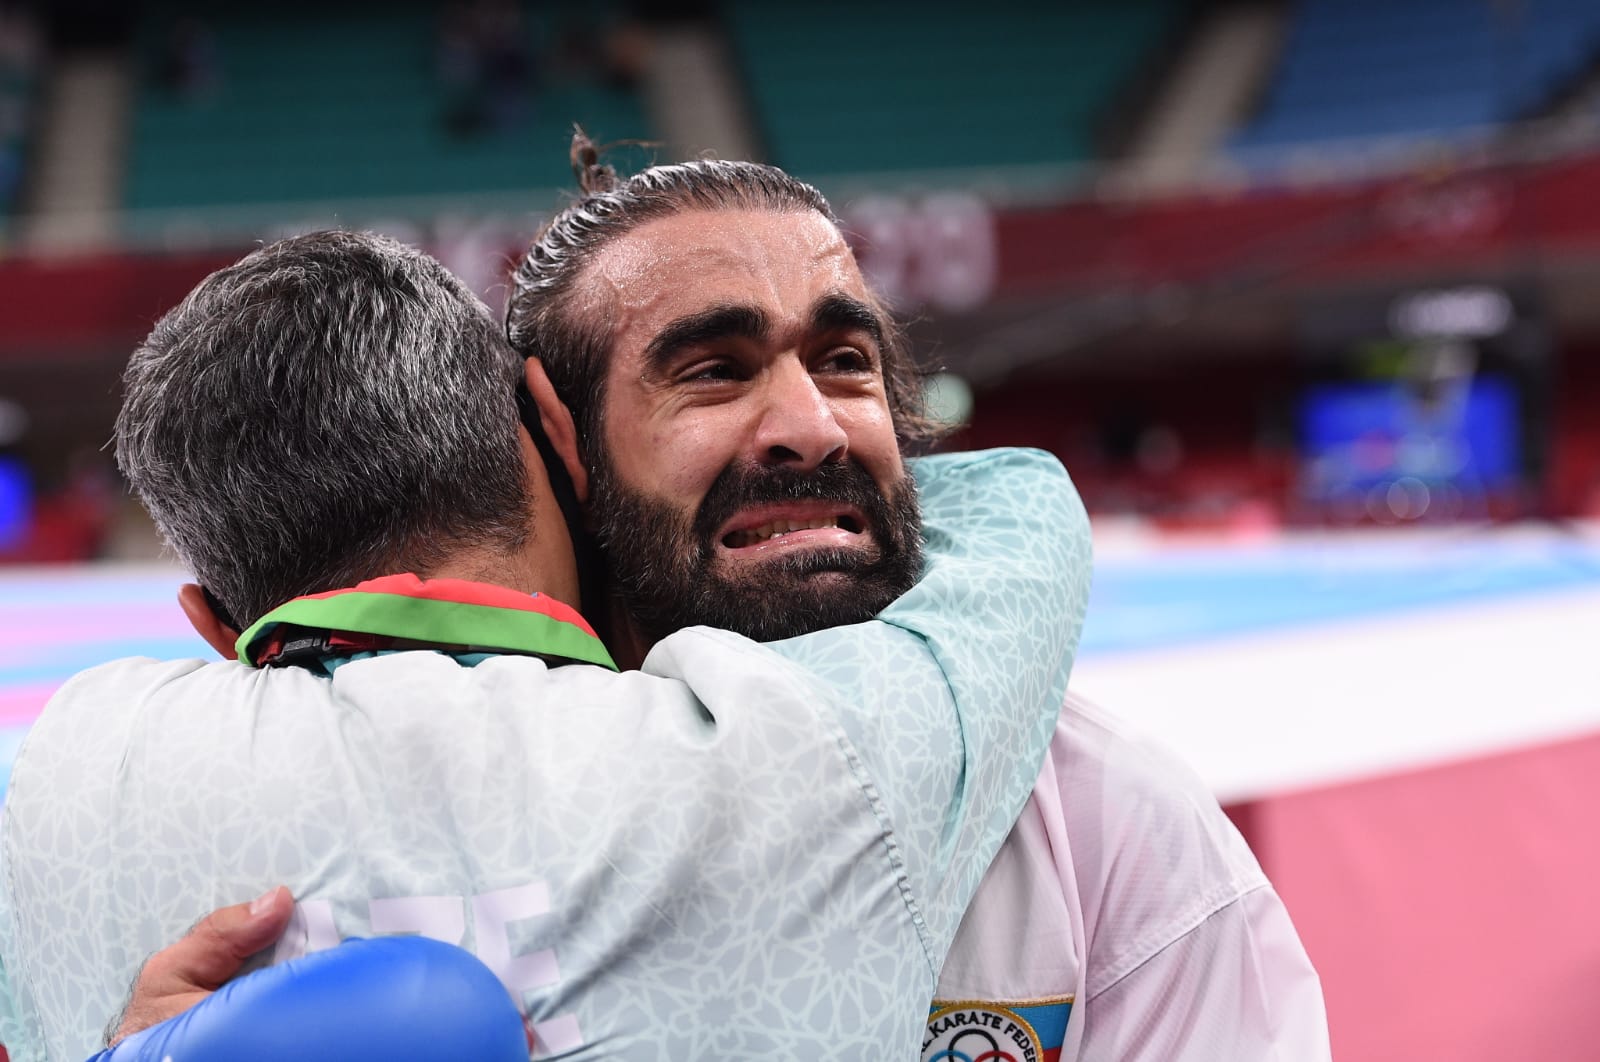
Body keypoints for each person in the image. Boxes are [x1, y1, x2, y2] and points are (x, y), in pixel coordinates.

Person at [91, 143, 1330, 1059]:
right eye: (713, 372)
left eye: (843, 361)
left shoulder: (1106, 827)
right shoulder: (384, 837)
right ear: (561, 449)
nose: (806, 425)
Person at [0, 229, 1091, 1061]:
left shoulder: (65, 773)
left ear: (211, 624)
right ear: (556, 433)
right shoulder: (803, 754)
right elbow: (1022, 512)